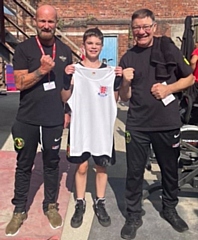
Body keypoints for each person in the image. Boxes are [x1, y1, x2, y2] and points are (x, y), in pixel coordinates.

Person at [118, 9, 194, 240]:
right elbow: (124, 97)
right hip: (137, 124)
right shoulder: (128, 57)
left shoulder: (167, 47)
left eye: (145, 27)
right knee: (134, 173)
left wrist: (168, 89)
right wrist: (125, 81)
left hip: (166, 122)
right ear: (132, 30)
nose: (141, 31)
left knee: (170, 170)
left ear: (153, 26)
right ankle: (133, 215)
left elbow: (190, 77)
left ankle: (169, 209)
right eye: (136, 28)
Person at [5, 5, 72, 236]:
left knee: (52, 164)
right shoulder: (23, 49)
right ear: (35, 21)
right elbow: (19, 83)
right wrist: (42, 71)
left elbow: (64, 91)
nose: (46, 25)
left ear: (56, 22)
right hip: (27, 118)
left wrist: (69, 101)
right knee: (24, 165)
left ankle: (50, 206)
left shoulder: (64, 51)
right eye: (42, 21)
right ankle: (19, 209)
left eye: (51, 22)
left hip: (53, 118)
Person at [61, 27, 122, 228]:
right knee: (82, 166)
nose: (93, 47)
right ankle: (80, 202)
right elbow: (65, 98)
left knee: (101, 166)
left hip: (101, 129)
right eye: (90, 43)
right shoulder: (75, 71)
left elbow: (114, 101)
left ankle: (100, 201)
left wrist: (119, 80)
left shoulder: (109, 73)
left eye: (97, 44)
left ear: (102, 47)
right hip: (81, 127)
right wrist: (65, 79)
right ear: (83, 46)